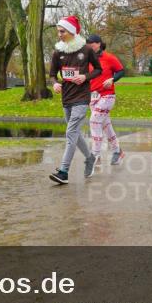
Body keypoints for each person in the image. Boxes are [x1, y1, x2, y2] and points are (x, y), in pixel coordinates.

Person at [48, 16, 102, 184]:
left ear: (71, 31)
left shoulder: (86, 50)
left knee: (70, 132)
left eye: (62, 31)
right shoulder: (58, 52)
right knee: (75, 133)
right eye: (58, 31)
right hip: (67, 97)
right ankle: (90, 157)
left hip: (82, 97)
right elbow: (51, 75)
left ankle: (63, 171)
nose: (59, 34)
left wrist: (85, 76)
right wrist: (55, 84)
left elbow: (98, 70)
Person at [86, 33, 125, 167]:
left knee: (94, 121)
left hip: (107, 95)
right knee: (106, 126)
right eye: (88, 44)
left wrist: (113, 79)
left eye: (92, 43)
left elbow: (121, 71)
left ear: (99, 43)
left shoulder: (109, 58)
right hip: (93, 97)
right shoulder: (88, 59)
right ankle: (117, 151)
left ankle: (95, 155)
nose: (90, 46)